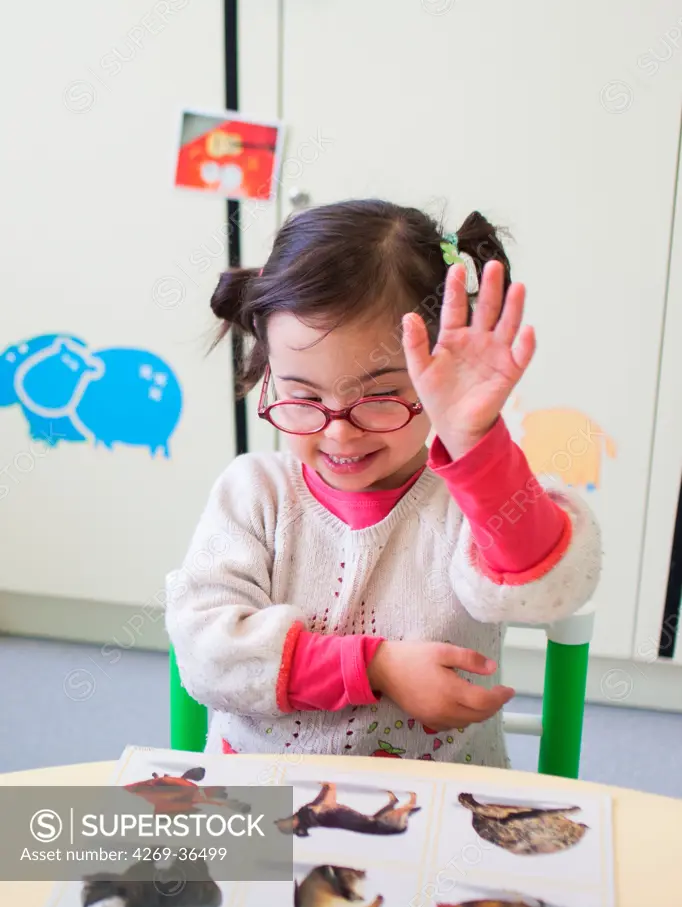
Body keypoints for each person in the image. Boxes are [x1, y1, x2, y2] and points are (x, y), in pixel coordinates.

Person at [165, 199, 601, 767]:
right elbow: (207, 653)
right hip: (262, 797)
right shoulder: (253, 492)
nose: (340, 432)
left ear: (439, 370)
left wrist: (476, 444)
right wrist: (376, 667)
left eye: (379, 396)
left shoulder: (466, 501)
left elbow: (550, 587)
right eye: (303, 397)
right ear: (268, 376)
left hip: (439, 810)